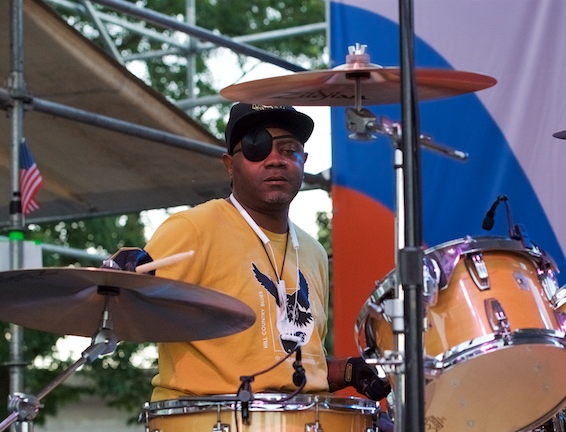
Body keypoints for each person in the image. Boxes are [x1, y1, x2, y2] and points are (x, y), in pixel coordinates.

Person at [140, 102, 390, 402]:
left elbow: (294, 364)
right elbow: (131, 300)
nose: (275, 160)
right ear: (230, 164)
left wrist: (347, 371)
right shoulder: (193, 228)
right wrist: (125, 271)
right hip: (211, 429)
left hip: (303, 427)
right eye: (258, 149)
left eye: (289, 150)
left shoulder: (313, 251)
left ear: (304, 161)